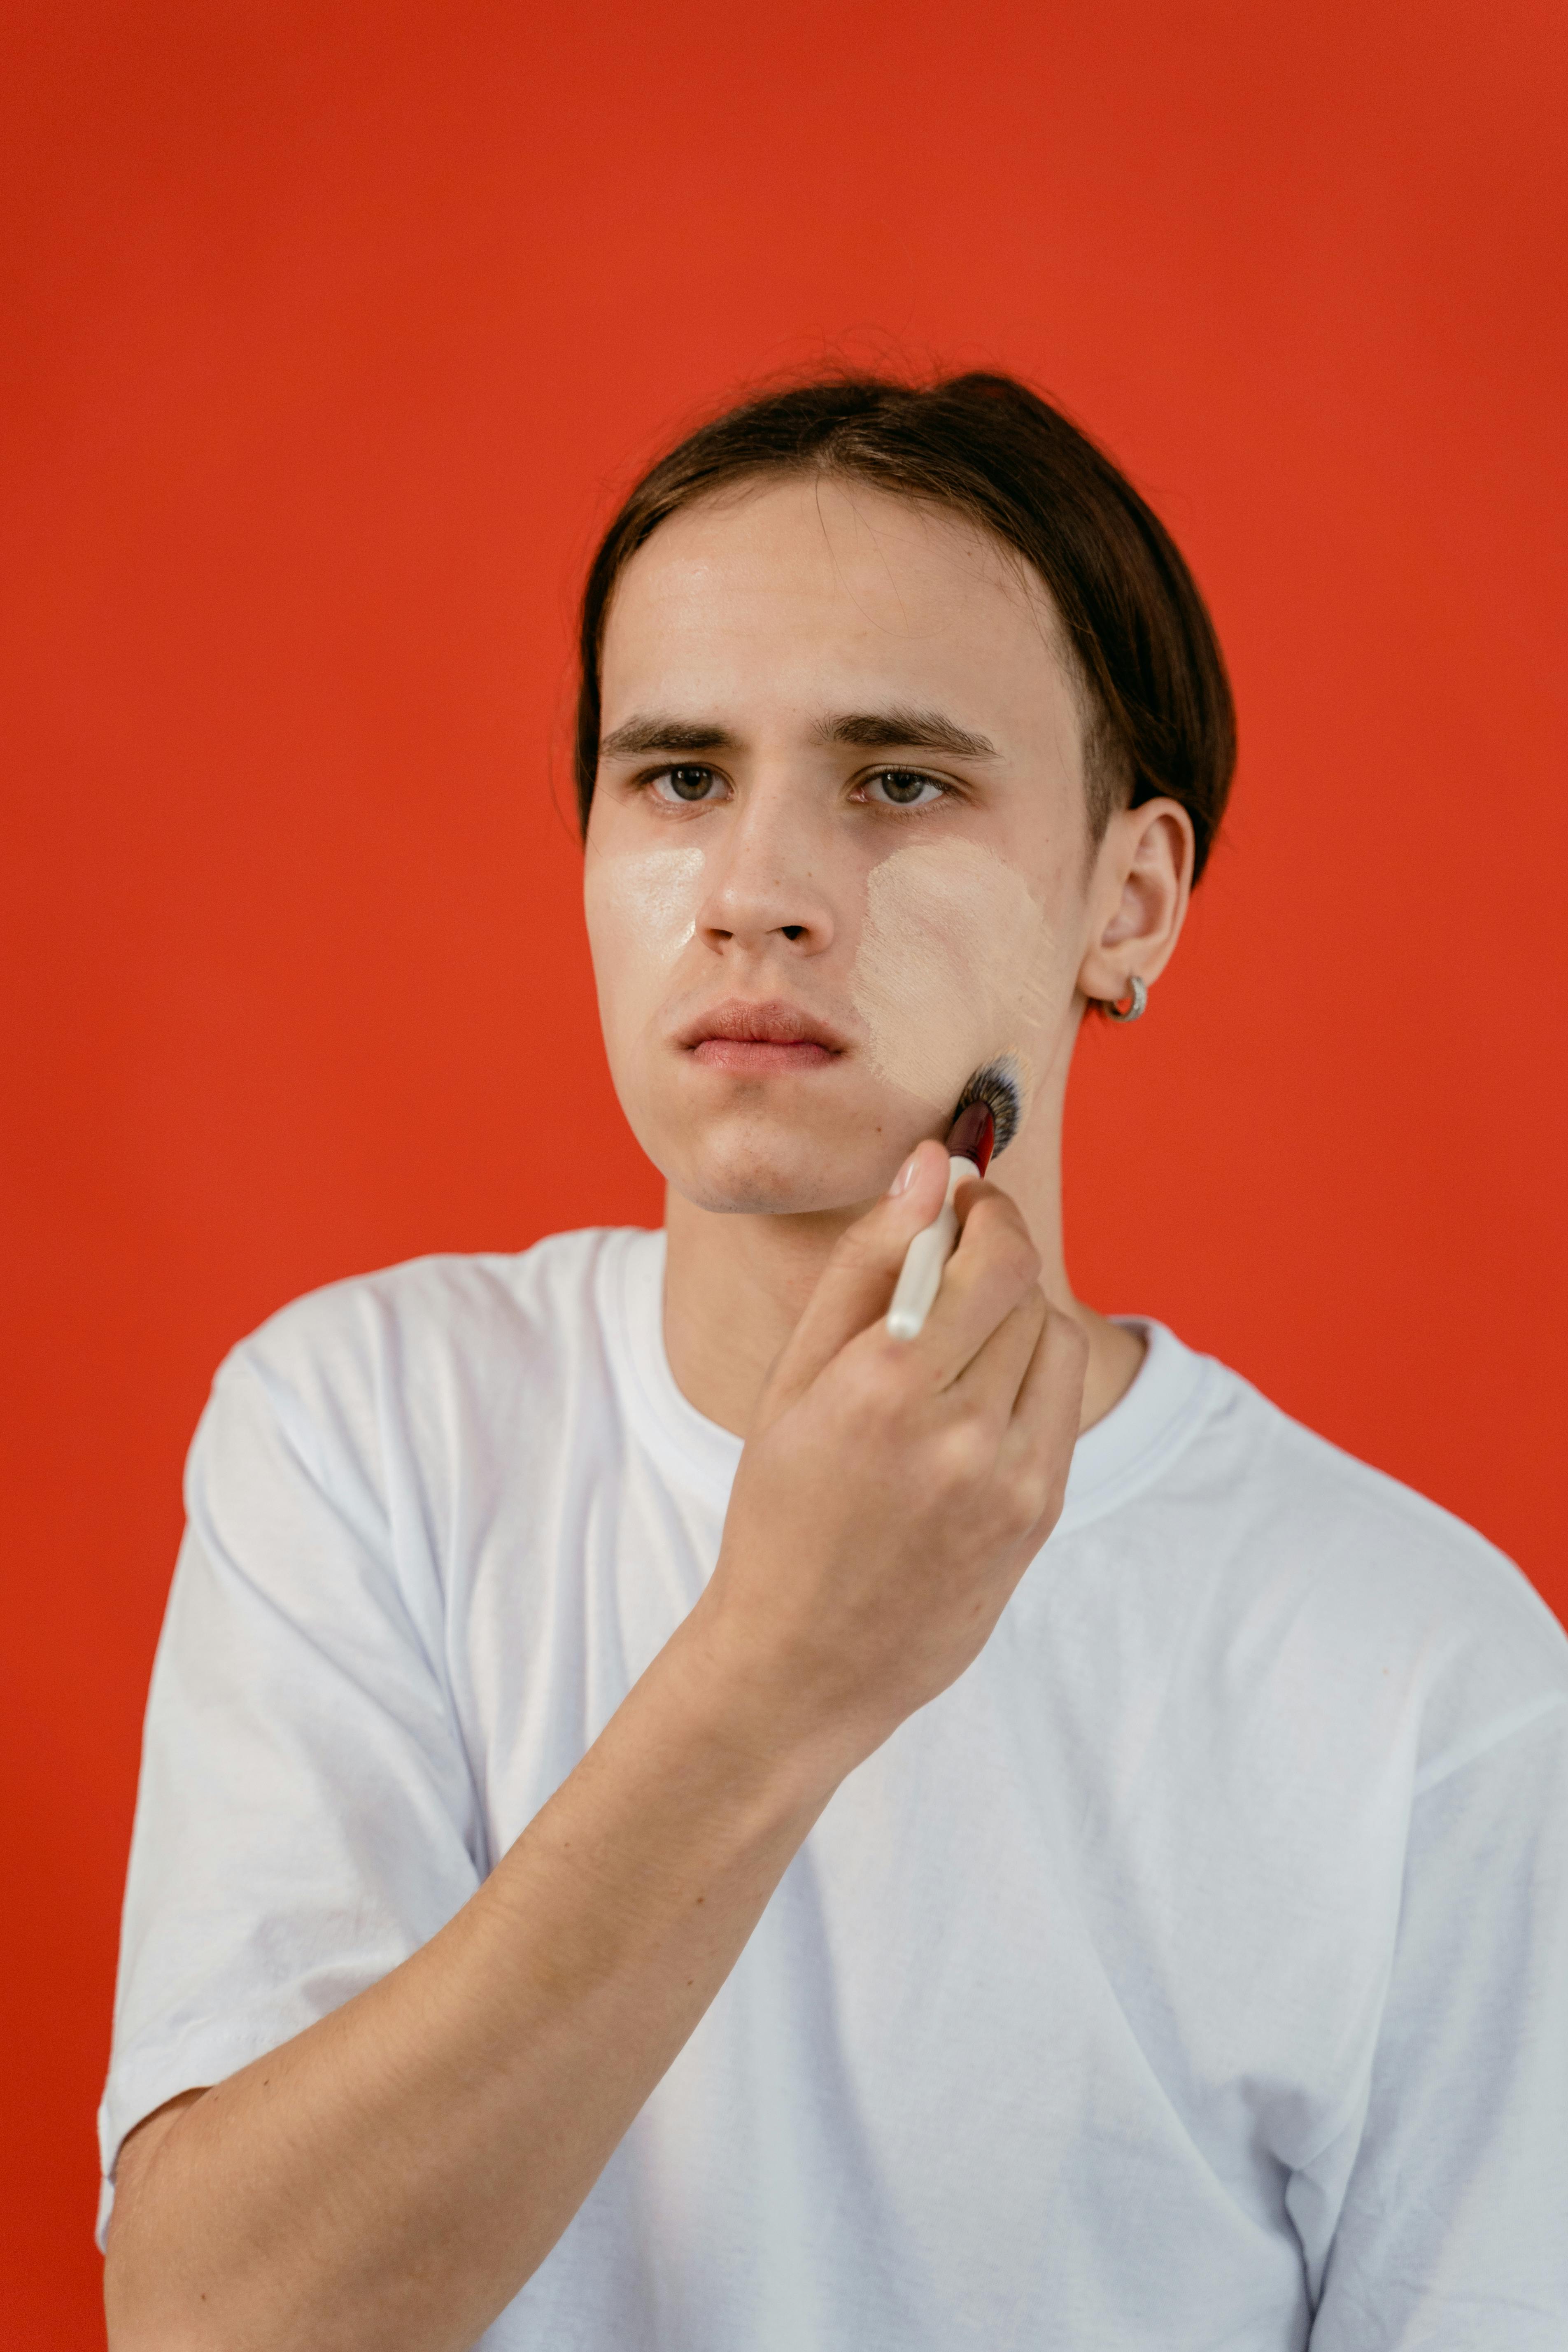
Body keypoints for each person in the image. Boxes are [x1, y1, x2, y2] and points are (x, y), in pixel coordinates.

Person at [100, 374, 1568, 2352]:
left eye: (897, 782)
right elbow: (213, 2324)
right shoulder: (360, 1431)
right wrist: (780, 1664)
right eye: (676, 776)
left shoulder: (1429, 1683)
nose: (753, 893)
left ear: (1127, 901)